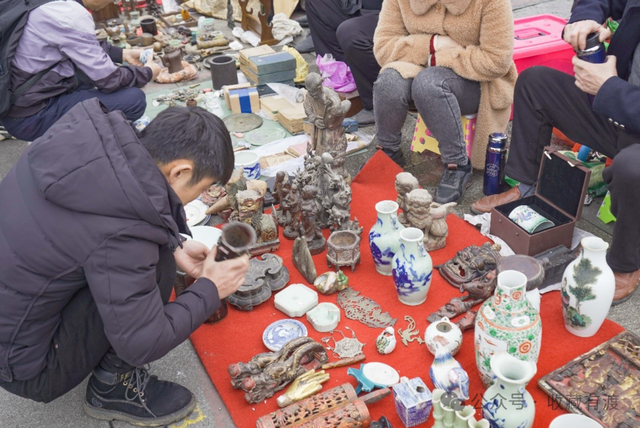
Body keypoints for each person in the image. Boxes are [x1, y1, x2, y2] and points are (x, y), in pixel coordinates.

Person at [0, 99, 250, 426]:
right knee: (156, 261)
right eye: (202, 189)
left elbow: (95, 227)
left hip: (12, 324)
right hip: (25, 368)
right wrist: (210, 288)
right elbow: (143, 342)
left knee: (158, 247)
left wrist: (174, 241)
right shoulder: (125, 234)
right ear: (180, 172)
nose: (196, 197)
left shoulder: (88, 138)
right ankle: (111, 388)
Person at [471, 0, 640, 304]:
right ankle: (525, 186)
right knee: (535, 84)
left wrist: (609, 89)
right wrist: (585, 18)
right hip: (620, 111)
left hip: (624, 112)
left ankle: (626, 262)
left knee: (632, 167)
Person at [372, 0, 517, 202]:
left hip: (476, 78)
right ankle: (388, 151)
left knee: (428, 84)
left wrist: (440, 58)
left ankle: (457, 164)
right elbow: (383, 49)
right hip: (418, 65)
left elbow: (496, 61)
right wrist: (433, 45)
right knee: (388, 81)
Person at [0, 0, 162, 142]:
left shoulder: (49, 6)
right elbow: (110, 80)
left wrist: (121, 53)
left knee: (87, 77)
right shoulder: (68, 13)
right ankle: (89, 148)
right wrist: (147, 73)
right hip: (32, 117)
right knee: (133, 100)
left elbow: (76, 41)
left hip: (18, 104)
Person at [298, 0, 383, 125]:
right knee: (317, 2)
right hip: (362, 5)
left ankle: (377, 104)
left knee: (349, 32)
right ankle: (344, 77)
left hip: (390, 13)